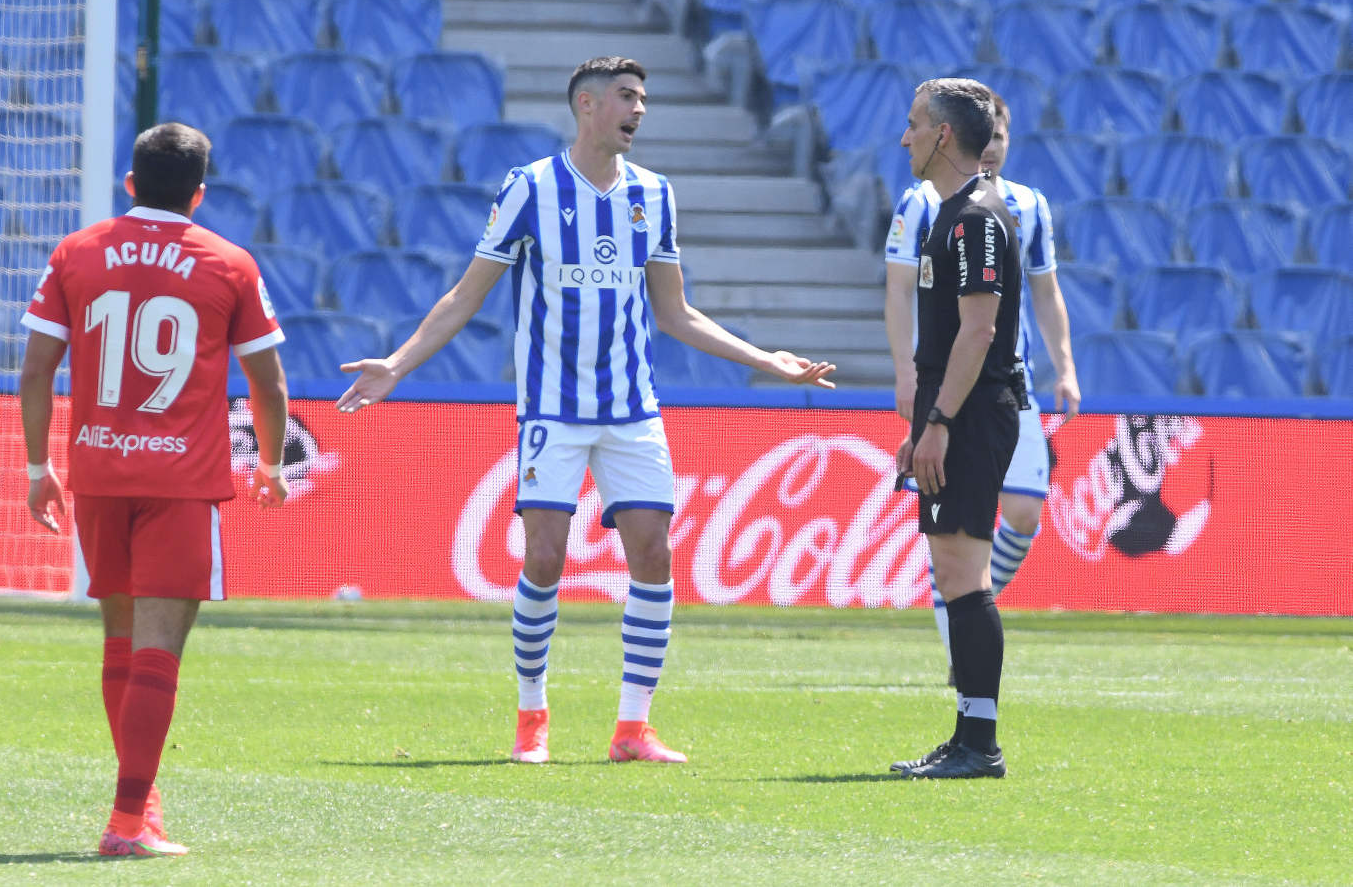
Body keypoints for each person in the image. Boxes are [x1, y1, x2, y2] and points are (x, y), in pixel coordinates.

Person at [336, 56, 835, 765]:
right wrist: (399, 362)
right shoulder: (529, 189)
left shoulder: (654, 195)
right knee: (543, 558)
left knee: (654, 555)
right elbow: (465, 296)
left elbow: (676, 313)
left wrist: (766, 360)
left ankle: (633, 728)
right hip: (552, 408)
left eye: (643, 97)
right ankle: (532, 714)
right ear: (587, 105)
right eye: (628, 97)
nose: (639, 110)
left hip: (632, 407)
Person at [18, 122, 291, 855]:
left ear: (130, 184)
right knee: (159, 648)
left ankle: (143, 807)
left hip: (99, 470)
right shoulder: (228, 263)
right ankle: (127, 822)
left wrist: (39, 470)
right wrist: (269, 467)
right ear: (199, 194)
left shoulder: (76, 253)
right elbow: (267, 383)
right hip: (179, 480)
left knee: (120, 640)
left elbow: (36, 370)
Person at [884, 90, 1082, 684]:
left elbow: (1040, 294)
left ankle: (970, 627)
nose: (993, 147)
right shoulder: (921, 204)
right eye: (987, 136)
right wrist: (907, 374)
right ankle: (965, 649)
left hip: (996, 387)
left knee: (1019, 517)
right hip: (948, 387)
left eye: (1001, 137)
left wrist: (1065, 364)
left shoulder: (1015, 207)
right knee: (954, 556)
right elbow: (899, 291)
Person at [887, 78, 1022, 779]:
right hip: (952, 416)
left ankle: (981, 745)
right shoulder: (951, 214)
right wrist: (922, 425)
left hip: (970, 417)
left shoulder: (974, 217)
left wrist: (938, 422)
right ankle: (969, 733)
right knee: (954, 574)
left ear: (943, 135)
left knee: (966, 577)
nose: (903, 136)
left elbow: (978, 332)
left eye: (913, 124)